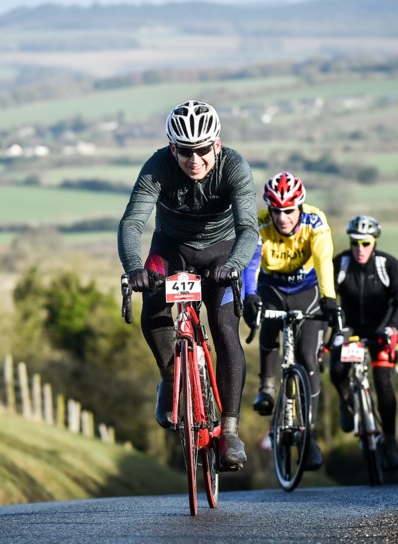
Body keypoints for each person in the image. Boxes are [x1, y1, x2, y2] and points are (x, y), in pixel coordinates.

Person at [117, 99, 258, 470]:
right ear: (171, 148)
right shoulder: (157, 167)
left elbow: (248, 229)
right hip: (171, 249)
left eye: (202, 150)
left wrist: (235, 265)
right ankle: (170, 377)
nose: (194, 160)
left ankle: (229, 431)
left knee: (226, 330)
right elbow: (132, 223)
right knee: (154, 309)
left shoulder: (234, 167)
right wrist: (134, 267)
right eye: (185, 152)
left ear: (217, 143)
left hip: (222, 254)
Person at [241, 171, 340, 471]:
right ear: (269, 208)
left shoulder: (315, 222)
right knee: (268, 329)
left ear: (300, 206)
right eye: (277, 210)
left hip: (307, 291)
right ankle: (268, 387)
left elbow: (324, 261)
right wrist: (249, 296)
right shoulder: (260, 223)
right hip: (272, 288)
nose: (283, 217)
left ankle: (309, 436)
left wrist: (330, 299)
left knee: (309, 358)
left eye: (289, 210)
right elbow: (251, 264)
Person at [328, 215, 398, 470]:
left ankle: (391, 442)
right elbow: (326, 295)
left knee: (384, 382)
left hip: (381, 328)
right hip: (351, 327)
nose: (359, 249)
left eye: (365, 243)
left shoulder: (389, 265)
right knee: (337, 369)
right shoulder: (340, 264)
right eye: (355, 243)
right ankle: (346, 401)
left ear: (374, 242)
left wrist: (393, 326)